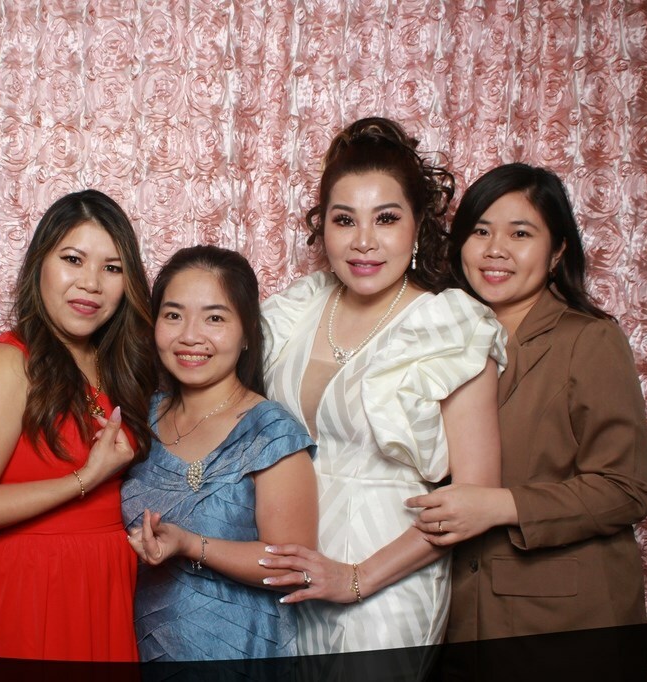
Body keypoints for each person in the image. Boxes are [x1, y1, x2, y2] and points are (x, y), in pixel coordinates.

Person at [257, 118, 506, 660]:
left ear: (418, 228)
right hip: (288, 576)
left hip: (387, 583)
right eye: (345, 219)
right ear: (323, 227)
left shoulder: (451, 327)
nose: (364, 241)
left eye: (386, 218)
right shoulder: (297, 310)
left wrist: (358, 577)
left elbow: (473, 499)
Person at [407, 163, 647, 646]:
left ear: (557, 250)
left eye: (520, 233)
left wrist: (500, 505)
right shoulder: (434, 337)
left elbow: (626, 489)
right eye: (480, 231)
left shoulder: (590, 340)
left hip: (568, 620)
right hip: (453, 617)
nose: (495, 250)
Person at [0, 190, 156, 662]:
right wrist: (84, 479)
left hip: (108, 583)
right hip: (32, 587)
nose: (91, 283)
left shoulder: (121, 366)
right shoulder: (7, 363)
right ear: (40, 263)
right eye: (73, 259)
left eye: (112, 268)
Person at [121, 246, 318, 662]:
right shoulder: (140, 416)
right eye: (173, 315)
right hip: (131, 644)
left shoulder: (271, 431)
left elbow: (293, 567)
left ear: (247, 333)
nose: (190, 336)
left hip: (232, 651)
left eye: (214, 318)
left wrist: (190, 544)